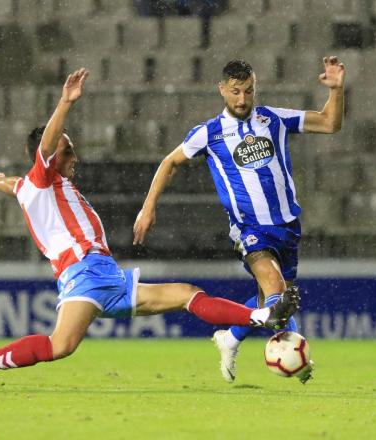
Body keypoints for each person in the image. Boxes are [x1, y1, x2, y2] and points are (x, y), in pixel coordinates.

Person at [0, 68, 300, 389]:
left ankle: (260, 316)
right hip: (85, 272)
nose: (73, 157)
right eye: (67, 152)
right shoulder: (43, 177)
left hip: (104, 275)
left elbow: (18, 185)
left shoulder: (33, 186)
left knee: (187, 295)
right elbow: (45, 148)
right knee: (59, 345)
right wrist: (65, 103)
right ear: (46, 159)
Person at [133, 57, 345, 383]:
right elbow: (169, 162)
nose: (242, 99)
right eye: (235, 92)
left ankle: (230, 337)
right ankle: (295, 357)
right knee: (278, 292)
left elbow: (330, 123)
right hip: (249, 228)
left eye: (248, 91)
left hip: (287, 225)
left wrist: (337, 89)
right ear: (222, 90)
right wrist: (148, 207)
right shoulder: (210, 133)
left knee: (268, 298)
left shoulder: (273, 118)